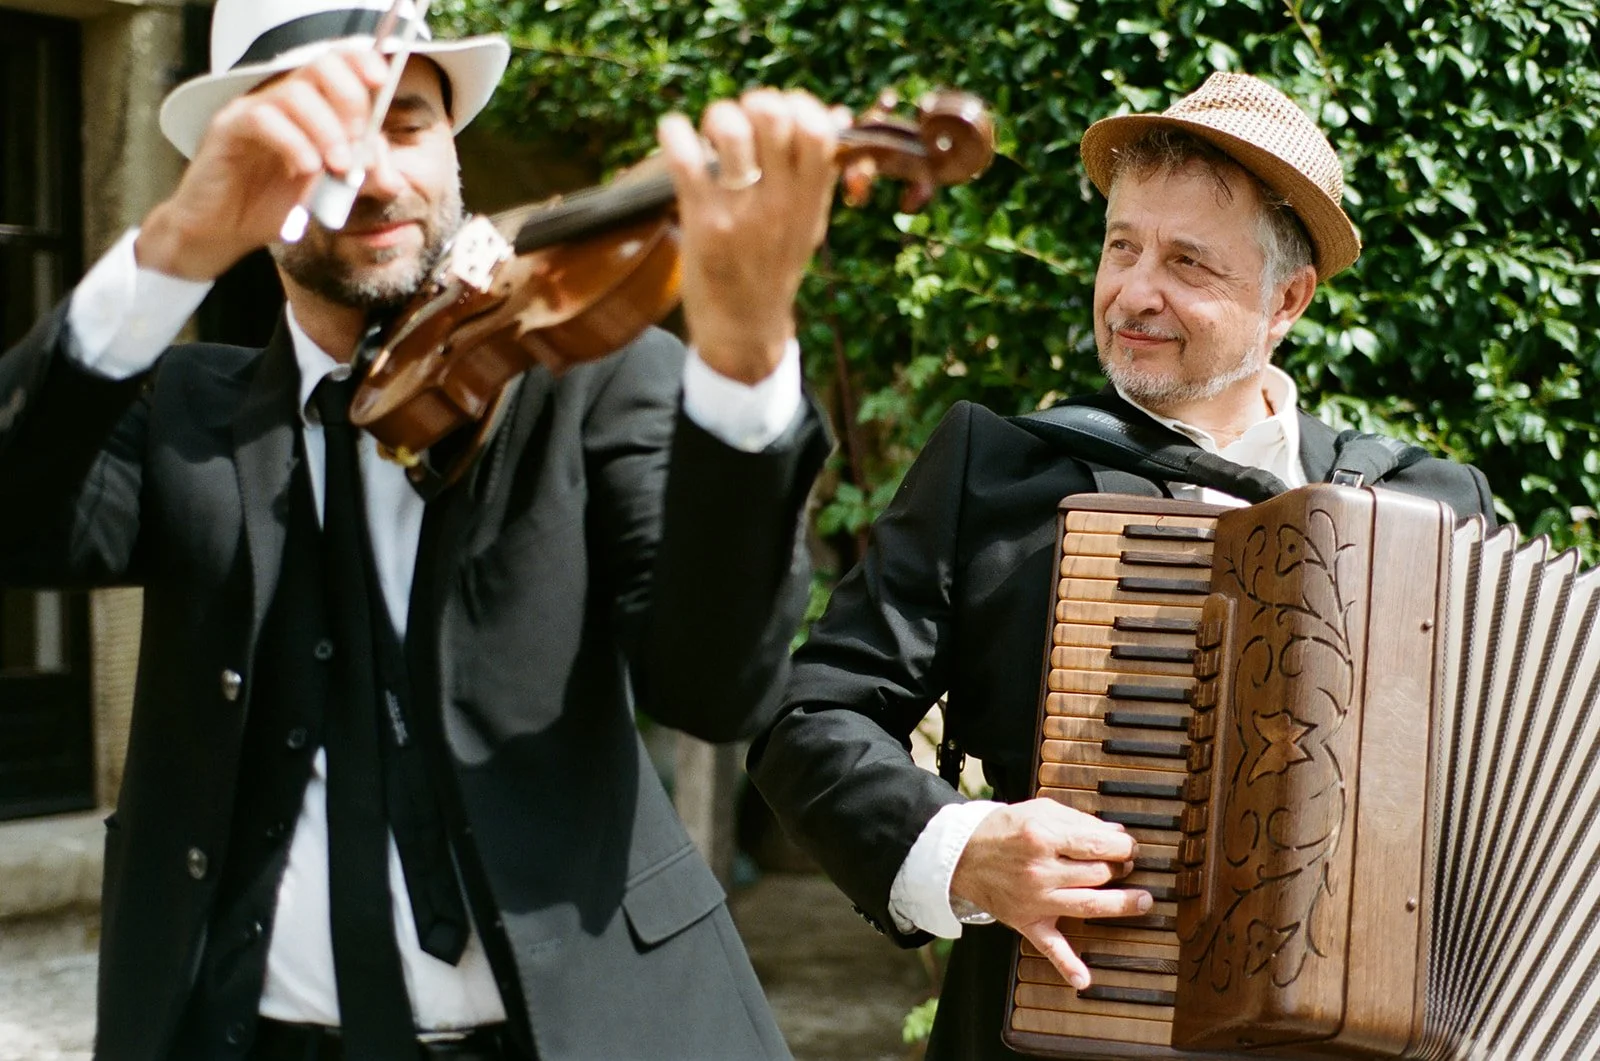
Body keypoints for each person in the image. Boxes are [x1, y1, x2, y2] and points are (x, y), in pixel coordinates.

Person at [0, 0, 843, 1056]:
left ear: (451, 144)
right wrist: (171, 250)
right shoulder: (184, 412)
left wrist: (749, 356)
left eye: (403, 123)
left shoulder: (590, 377)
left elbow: (719, 687)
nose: (371, 174)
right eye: (315, 139)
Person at [747, 71, 1497, 1060]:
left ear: (1287, 300)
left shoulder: (1424, 507)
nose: (1135, 291)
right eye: (1121, 246)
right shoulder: (995, 469)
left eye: (1187, 262)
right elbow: (808, 715)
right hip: (1054, 1025)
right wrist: (964, 847)